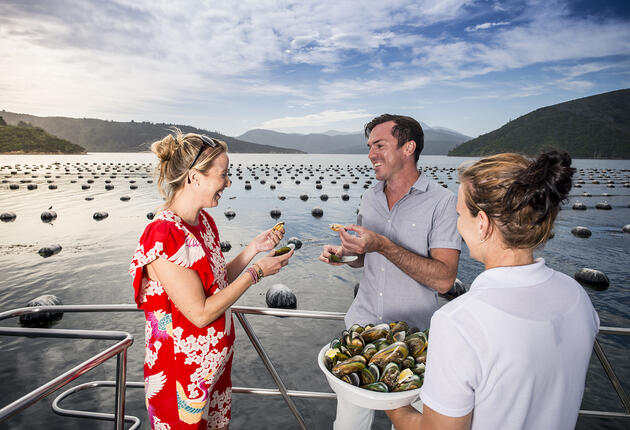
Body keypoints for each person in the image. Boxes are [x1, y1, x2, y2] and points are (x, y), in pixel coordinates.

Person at [386, 151, 599, 430]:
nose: (457, 224)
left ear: (483, 223)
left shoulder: (459, 321)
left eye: (459, 214)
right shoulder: (576, 296)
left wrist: (391, 401)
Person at [129, 131, 293, 430]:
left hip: (211, 371)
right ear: (194, 177)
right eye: (223, 174)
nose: (228, 182)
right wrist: (256, 273)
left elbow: (216, 282)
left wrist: (254, 249)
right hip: (180, 378)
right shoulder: (164, 235)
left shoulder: (203, 222)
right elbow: (201, 313)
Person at [319, 114, 461, 429]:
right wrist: (345, 255)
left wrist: (382, 245)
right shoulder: (369, 196)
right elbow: (365, 257)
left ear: (408, 147)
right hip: (359, 334)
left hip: (415, 345)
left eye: (379, 145)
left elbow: (443, 279)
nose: (370, 154)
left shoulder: (442, 202)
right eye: (369, 146)